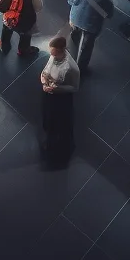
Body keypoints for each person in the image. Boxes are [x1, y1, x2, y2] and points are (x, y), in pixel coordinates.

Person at [67, 0, 114, 73]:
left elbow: (70, 0)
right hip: (92, 25)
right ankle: (81, 70)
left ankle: (68, 61)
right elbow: (109, 14)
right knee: (86, 48)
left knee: (74, 39)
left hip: (74, 18)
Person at [40, 36, 80, 167]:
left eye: (54, 53)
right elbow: (46, 70)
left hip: (61, 97)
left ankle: (57, 147)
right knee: (48, 116)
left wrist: (58, 89)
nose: (52, 55)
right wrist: (43, 80)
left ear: (62, 50)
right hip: (50, 92)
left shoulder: (72, 68)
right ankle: (48, 134)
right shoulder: (54, 56)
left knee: (60, 123)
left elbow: (75, 87)